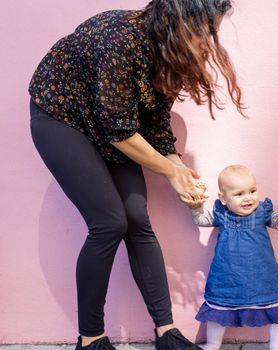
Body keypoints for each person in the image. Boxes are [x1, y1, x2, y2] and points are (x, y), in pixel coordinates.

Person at [28, 1, 245, 349]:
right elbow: (120, 131)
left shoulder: (171, 56)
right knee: (109, 222)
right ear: (180, 18)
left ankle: (167, 333)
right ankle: (91, 340)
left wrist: (179, 173)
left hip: (112, 128)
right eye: (206, 28)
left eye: (214, 30)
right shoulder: (120, 37)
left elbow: (156, 125)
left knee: (137, 220)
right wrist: (171, 173)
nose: (210, 40)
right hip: (62, 117)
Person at [189, 165, 278, 350]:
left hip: (263, 276)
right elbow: (200, 220)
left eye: (252, 191)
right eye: (239, 194)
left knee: (277, 312)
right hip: (227, 278)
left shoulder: (262, 212)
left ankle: (277, 347)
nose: (248, 197)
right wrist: (195, 206)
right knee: (218, 312)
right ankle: (212, 345)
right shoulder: (221, 214)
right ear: (223, 198)